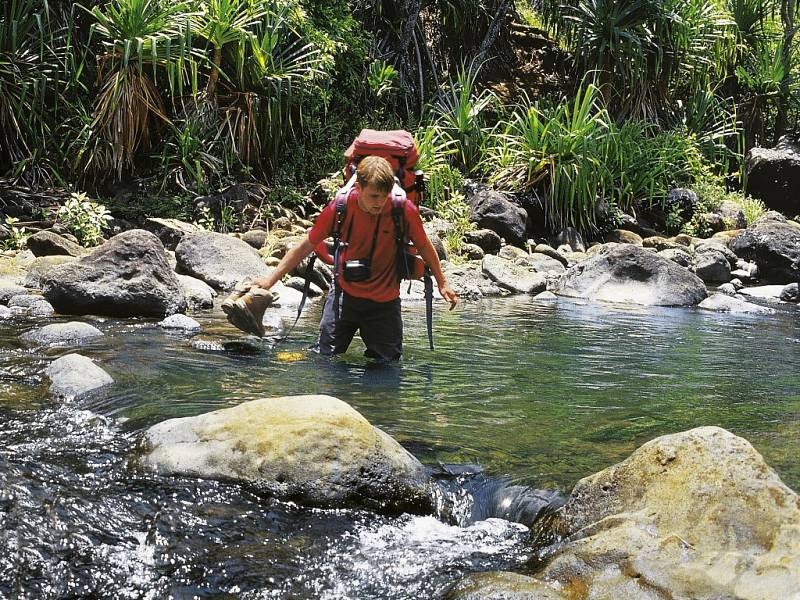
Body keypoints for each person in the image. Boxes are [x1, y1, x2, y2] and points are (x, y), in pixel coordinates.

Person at [250, 155, 458, 361]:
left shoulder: (402, 210)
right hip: (343, 297)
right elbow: (306, 245)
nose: (380, 202)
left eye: (384, 195)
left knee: (387, 369)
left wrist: (443, 282)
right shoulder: (340, 208)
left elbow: (424, 245)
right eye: (374, 196)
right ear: (358, 187)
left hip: (384, 304)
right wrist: (270, 280)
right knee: (325, 361)